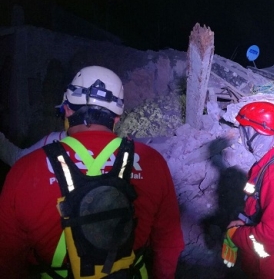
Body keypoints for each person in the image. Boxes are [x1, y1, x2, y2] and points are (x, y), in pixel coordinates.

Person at [0, 65, 184, 278]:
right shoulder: (152, 162)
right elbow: (169, 244)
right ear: (116, 118)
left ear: (68, 109)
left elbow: (6, 258)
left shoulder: (26, 169)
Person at [221, 101, 274, 279]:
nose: (240, 135)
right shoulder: (268, 163)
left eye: (242, 129)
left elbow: (273, 239)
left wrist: (236, 235)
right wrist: (241, 224)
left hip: (273, 269)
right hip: (260, 262)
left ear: (253, 132)